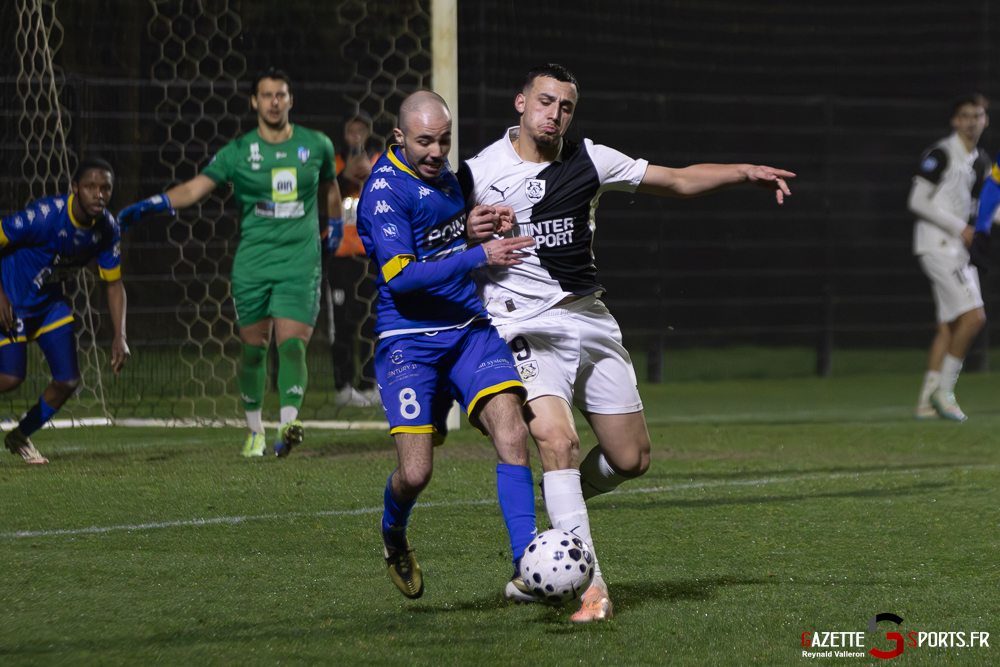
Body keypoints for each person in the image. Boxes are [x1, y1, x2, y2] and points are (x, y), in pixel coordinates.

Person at [460, 63, 794, 622]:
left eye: (565, 106)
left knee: (631, 458)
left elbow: (678, 179)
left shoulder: (590, 159)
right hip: (522, 326)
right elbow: (435, 238)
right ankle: (590, 588)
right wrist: (466, 232)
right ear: (521, 103)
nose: (554, 114)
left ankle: (557, 510)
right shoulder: (478, 172)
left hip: (589, 318)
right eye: (545, 101)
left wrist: (743, 172)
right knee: (558, 442)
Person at [356, 91, 537, 600]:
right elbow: (402, 278)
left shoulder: (448, 179)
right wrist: (479, 254)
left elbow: (443, 238)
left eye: (444, 140)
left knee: (512, 431)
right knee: (416, 472)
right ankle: (393, 533)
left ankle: (527, 565)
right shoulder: (383, 192)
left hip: (467, 329)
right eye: (425, 142)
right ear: (399, 137)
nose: (437, 152)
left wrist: (476, 225)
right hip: (409, 340)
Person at [117, 68, 344, 457]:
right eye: (267, 95)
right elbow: (195, 187)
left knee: (292, 346)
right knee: (254, 350)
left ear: (290, 100)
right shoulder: (238, 152)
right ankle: (255, 431)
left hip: (300, 263)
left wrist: (336, 224)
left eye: (281, 95)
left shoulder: (317, 144)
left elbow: (331, 187)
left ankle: (288, 424)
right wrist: (155, 203)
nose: (274, 102)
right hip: (253, 265)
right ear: (255, 102)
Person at [1, 157, 129, 464]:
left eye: (105, 188)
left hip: (49, 304)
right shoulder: (44, 216)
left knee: (67, 381)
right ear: (74, 188)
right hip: (12, 299)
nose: (98, 194)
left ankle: (20, 435)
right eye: (90, 187)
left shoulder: (107, 228)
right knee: (10, 377)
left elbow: (113, 283)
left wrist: (120, 335)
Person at [909, 94, 991, 421]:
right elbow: (917, 201)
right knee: (974, 318)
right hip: (938, 245)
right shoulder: (941, 154)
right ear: (955, 121)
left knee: (949, 325)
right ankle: (945, 391)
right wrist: (961, 227)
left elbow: (984, 209)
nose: (972, 121)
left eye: (978, 115)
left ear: (986, 120)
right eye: (966, 116)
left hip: (956, 248)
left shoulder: (981, 160)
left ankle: (925, 403)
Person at [327, 115, 381, 408]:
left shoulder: (380, 162)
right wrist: (345, 176)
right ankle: (344, 386)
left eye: (362, 129)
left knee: (374, 320)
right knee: (344, 321)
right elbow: (321, 197)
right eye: (351, 129)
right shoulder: (333, 163)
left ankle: (370, 384)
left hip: (372, 255)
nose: (357, 135)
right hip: (340, 256)